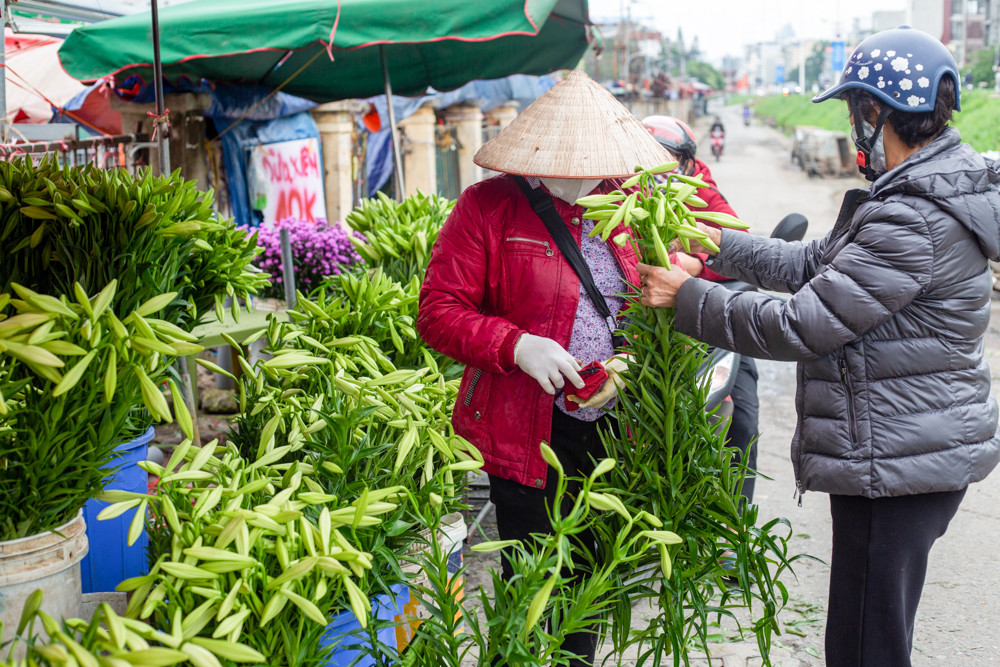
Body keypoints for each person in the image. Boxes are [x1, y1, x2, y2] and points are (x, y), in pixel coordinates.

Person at [636, 27, 1000, 666]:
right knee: (872, 636)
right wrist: (712, 241)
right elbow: (814, 262)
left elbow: (803, 323)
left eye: (856, 110)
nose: (856, 126)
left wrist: (687, 300)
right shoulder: (924, 192)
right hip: (911, 451)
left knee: (864, 648)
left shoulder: (912, 217)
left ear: (875, 112)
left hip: (896, 463)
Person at [417, 70, 670, 666]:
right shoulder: (487, 207)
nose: (583, 176)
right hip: (521, 430)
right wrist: (516, 345)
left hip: (609, 425)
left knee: (588, 582)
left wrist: (631, 361)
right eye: (569, 163)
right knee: (529, 580)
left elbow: (648, 302)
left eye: (595, 163)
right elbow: (436, 313)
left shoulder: (630, 206)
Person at [642, 115, 761, 508]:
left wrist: (695, 263)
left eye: (669, 158)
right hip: (642, 327)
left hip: (704, 320)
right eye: (647, 158)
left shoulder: (699, 187)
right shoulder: (616, 193)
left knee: (742, 417)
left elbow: (737, 242)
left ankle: (735, 520)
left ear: (687, 162)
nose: (658, 169)